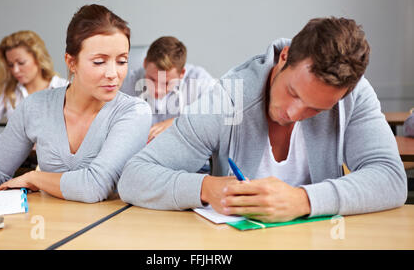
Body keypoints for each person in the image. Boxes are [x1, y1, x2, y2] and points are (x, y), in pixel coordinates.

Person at [118, 17, 407, 222]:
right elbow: (135, 177)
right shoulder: (227, 98)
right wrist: (206, 188)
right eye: (293, 92)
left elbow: (391, 179)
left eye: (315, 109)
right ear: (284, 57)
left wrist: (303, 201)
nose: (293, 114)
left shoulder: (354, 95)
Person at [0, 4, 151, 204]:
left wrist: (35, 177)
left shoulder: (134, 112)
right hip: (52, 225)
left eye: (122, 61)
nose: (113, 73)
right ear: (71, 62)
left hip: (109, 228)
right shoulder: (35, 106)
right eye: (99, 62)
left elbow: (94, 187)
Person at [0, 30, 67, 141]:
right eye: (10, 65)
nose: (15, 70)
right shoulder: (8, 91)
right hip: (20, 157)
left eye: (21, 63)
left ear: (38, 59)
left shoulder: (63, 88)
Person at [121, 36, 213, 143]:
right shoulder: (126, 82)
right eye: (152, 79)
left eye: (166, 83)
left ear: (182, 73)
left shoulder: (199, 81)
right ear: (145, 63)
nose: (157, 90)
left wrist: (178, 124)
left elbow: (218, 119)